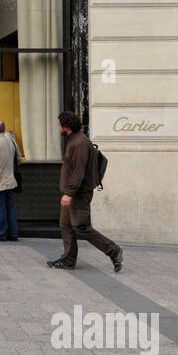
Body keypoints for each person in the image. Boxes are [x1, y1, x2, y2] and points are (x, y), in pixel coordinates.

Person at [48, 110, 123, 272]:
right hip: (72, 193)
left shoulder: (80, 143)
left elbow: (79, 171)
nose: (58, 127)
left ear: (65, 125)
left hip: (78, 194)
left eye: (59, 124)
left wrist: (69, 193)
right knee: (65, 225)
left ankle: (113, 250)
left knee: (80, 226)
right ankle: (68, 260)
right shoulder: (74, 141)